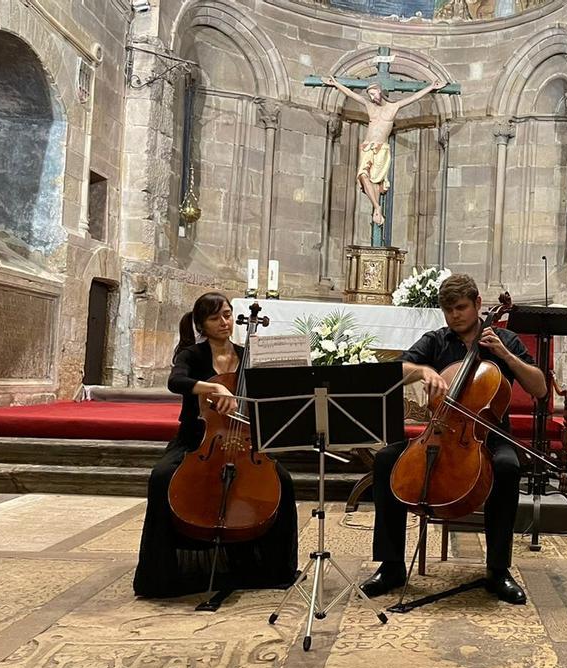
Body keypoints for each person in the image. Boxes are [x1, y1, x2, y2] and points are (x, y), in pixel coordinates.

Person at [359, 274, 547, 605]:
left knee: (506, 467)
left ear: (477, 304)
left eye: (460, 308)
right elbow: (395, 369)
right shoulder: (437, 340)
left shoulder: (504, 339)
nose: (454, 316)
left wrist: (505, 356)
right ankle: (391, 567)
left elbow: (540, 388)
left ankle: (498, 570)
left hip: (490, 434)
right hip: (443, 431)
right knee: (388, 459)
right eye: (448, 310)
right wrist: (422, 372)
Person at [133, 292, 298, 598]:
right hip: (198, 439)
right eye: (215, 317)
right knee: (161, 477)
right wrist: (214, 385)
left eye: (226, 315)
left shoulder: (247, 354)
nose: (223, 322)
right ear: (201, 324)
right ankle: (161, 573)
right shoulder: (192, 356)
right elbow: (176, 382)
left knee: (284, 482)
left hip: (245, 439)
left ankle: (274, 568)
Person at [325, 77, 446, 226]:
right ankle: (377, 207)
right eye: (369, 95)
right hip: (367, 146)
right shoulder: (370, 107)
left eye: (373, 93)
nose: (372, 97)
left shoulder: (393, 107)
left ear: (380, 92)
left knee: (376, 180)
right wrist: (336, 84)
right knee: (362, 175)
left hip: (381, 148)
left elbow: (414, 97)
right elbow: (351, 94)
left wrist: (431, 87)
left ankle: (377, 211)